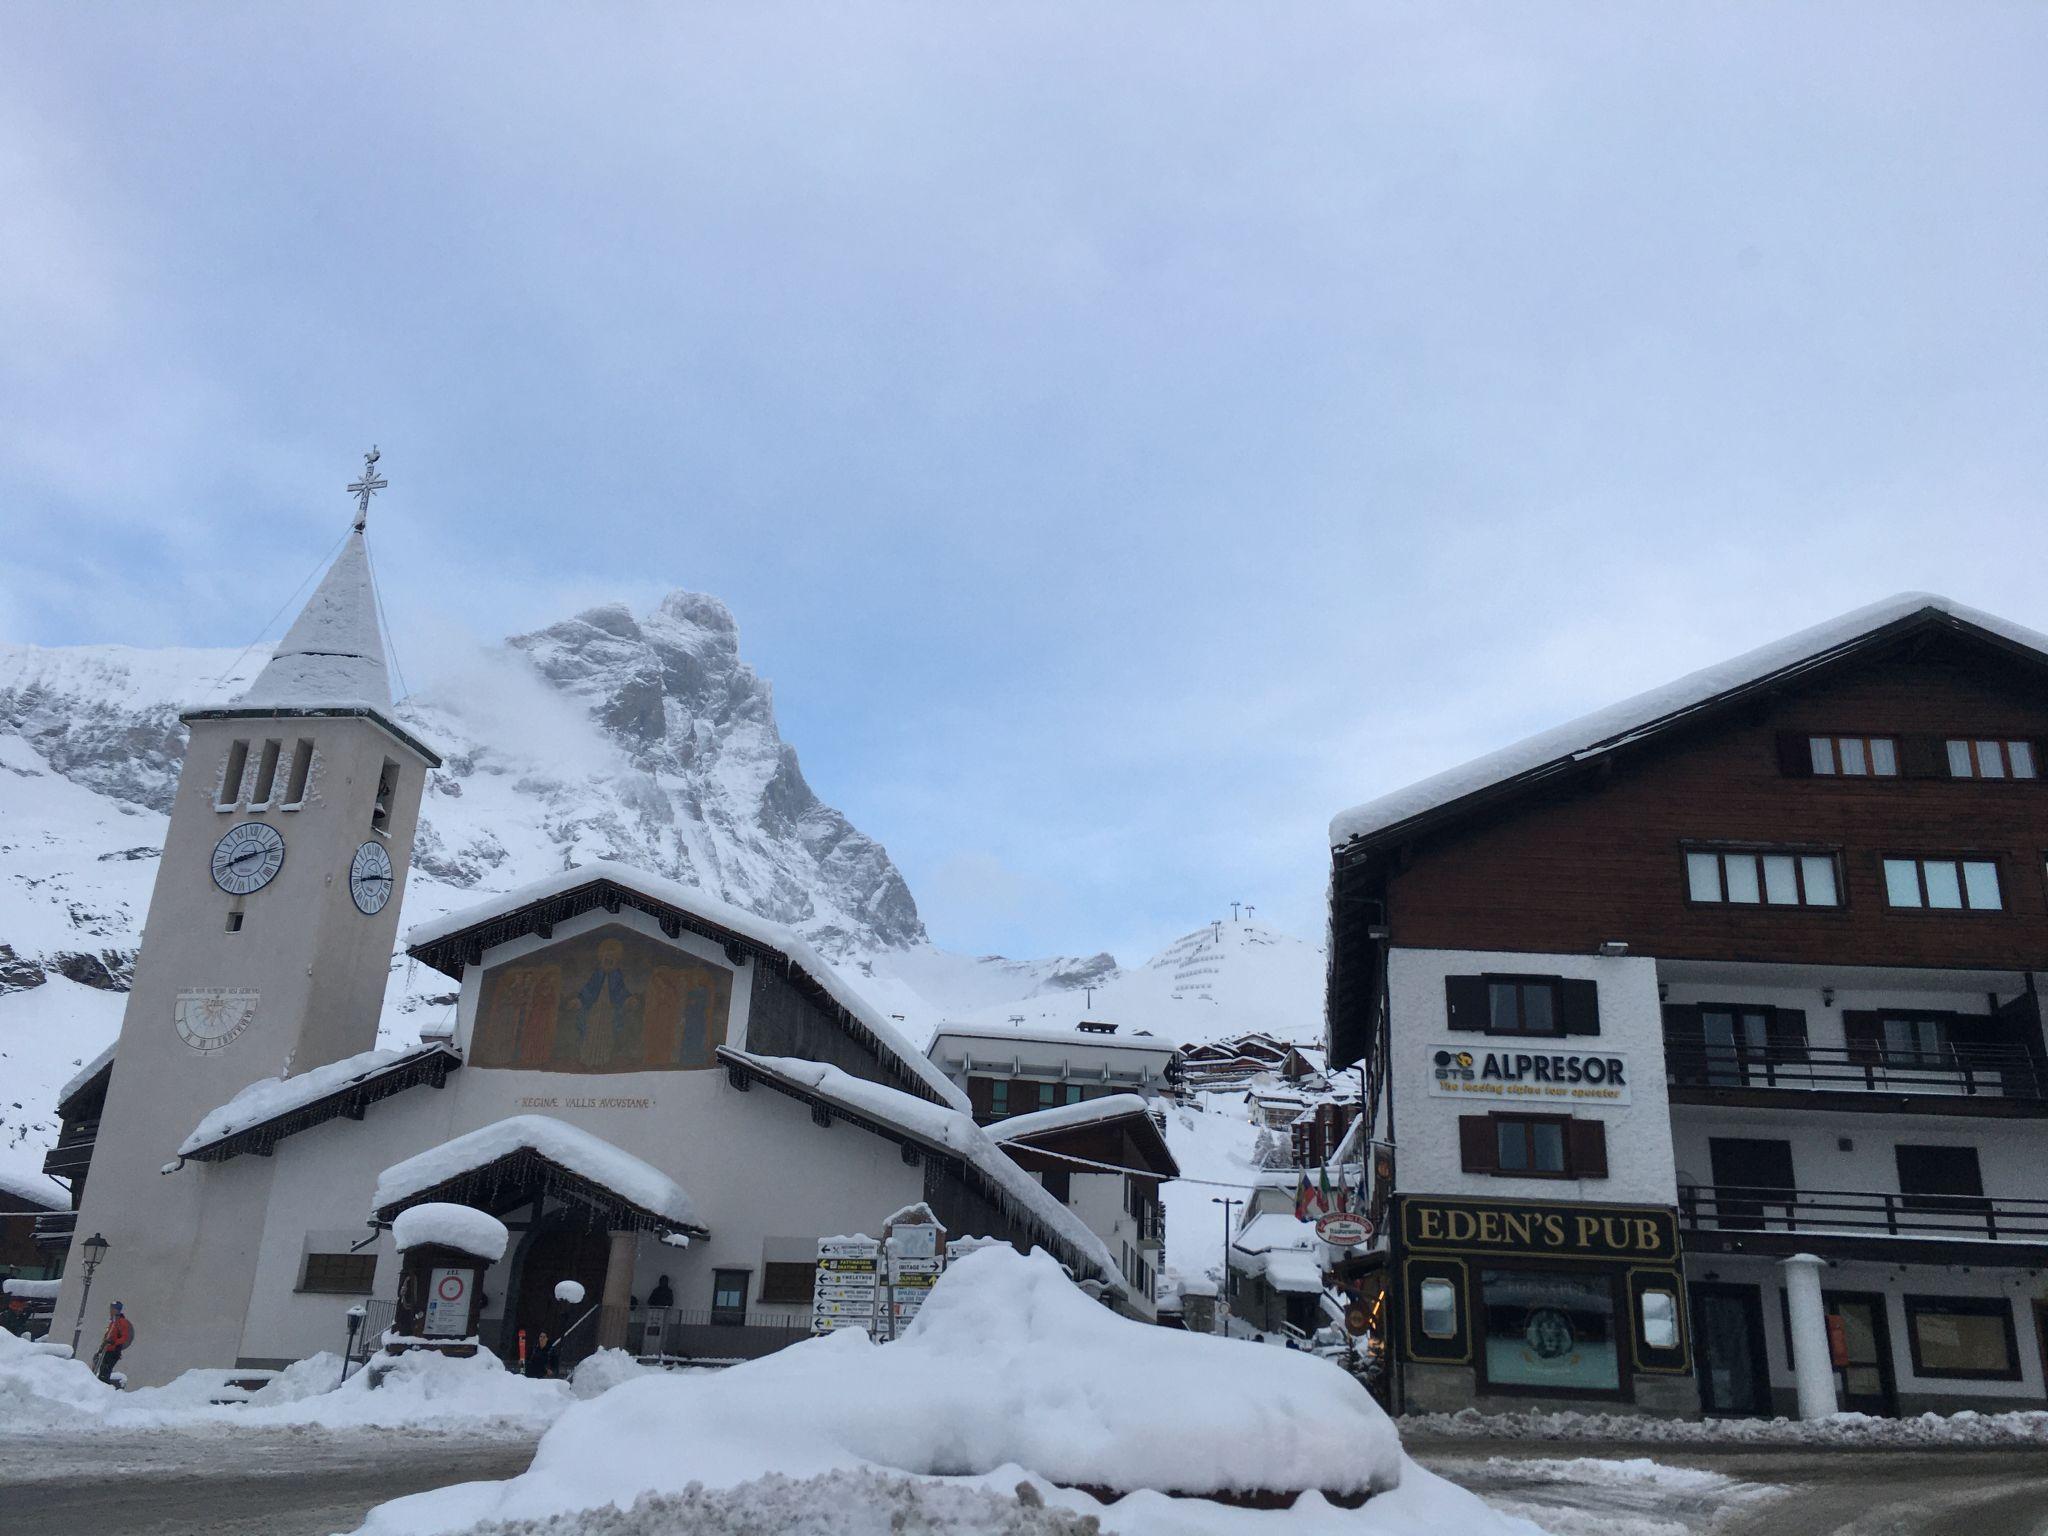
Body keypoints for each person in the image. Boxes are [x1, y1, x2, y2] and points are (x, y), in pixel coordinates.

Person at [95, 1302, 134, 1384]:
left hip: (113, 1351)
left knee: (104, 1373)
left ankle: (104, 1389)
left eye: (112, 1309)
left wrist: (114, 1342)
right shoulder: (113, 1322)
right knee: (102, 1370)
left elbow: (124, 1337)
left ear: (117, 1310)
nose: (110, 1311)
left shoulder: (122, 1322)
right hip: (107, 1350)